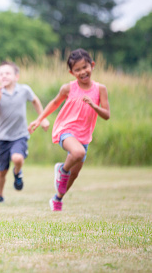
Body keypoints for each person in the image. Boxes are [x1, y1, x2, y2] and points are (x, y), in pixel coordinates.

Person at [28, 49, 110, 212]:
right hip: (66, 130)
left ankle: (57, 198)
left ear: (92, 66)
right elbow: (54, 103)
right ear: (71, 72)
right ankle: (62, 169)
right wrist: (39, 119)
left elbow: (107, 115)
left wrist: (94, 106)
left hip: (84, 135)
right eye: (77, 70)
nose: (82, 72)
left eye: (85, 67)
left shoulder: (100, 89)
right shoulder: (68, 88)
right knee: (78, 153)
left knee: (75, 174)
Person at [0, 61, 50, 203]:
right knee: (2, 170)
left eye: (7, 73)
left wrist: (42, 119)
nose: (4, 76)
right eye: (1, 74)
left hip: (20, 135)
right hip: (2, 137)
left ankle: (17, 172)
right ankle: (0, 195)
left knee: (17, 158)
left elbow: (35, 101)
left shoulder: (24, 90)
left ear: (16, 76)